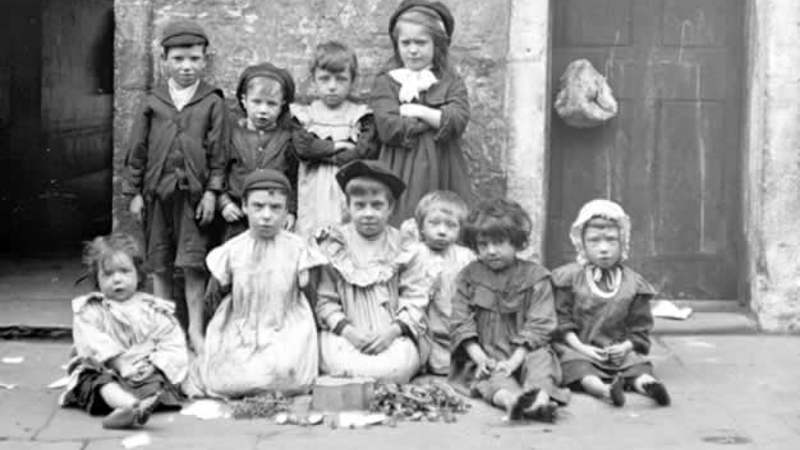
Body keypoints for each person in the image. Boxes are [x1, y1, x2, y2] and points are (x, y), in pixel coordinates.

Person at [122, 20, 226, 352]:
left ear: (205, 60)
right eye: (179, 59)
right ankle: (165, 332)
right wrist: (134, 192)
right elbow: (137, 149)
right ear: (164, 59)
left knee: (193, 264)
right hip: (157, 195)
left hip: (193, 198)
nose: (186, 66)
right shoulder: (153, 101)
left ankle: (195, 330)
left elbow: (219, 152)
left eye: (194, 59)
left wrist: (212, 191)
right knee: (160, 264)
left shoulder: (212, 102)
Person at [184, 169, 320, 398]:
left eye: (275, 207)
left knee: (288, 373)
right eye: (258, 206)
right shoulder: (233, 250)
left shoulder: (297, 249)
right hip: (242, 328)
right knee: (226, 380)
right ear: (245, 206)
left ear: (286, 211)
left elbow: (311, 295)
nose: (266, 215)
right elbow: (213, 298)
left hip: (284, 327)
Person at [449, 199, 569, 422]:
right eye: (483, 245)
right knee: (492, 379)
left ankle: (540, 402)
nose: (491, 251)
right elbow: (460, 321)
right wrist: (481, 358)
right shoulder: (468, 277)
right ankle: (511, 402)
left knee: (541, 363)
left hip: (526, 351)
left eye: (499, 243)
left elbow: (540, 324)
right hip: (487, 353)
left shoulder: (536, 277)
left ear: (516, 242)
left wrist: (515, 361)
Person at [312, 160, 431, 383]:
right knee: (334, 359)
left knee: (397, 367)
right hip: (347, 335)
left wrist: (391, 333)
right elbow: (325, 301)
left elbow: (415, 297)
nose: (368, 213)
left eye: (377, 206)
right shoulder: (335, 245)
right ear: (347, 206)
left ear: (391, 208)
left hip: (392, 336)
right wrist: (349, 332)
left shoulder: (404, 246)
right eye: (360, 205)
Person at [60, 234, 188, 429]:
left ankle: (138, 405)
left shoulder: (153, 309)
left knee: (158, 382)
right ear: (97, 279)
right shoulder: (90, 309)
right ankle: (129, 406)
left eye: (125, 271)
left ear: (139, 274)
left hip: (141, 370)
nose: (117, 280)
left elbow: (170, 340)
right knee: (99, 382)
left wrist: (154, 364)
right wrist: (119, 363)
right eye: (108, 274)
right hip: (105, 368)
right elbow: (91, 343)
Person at [551, 199, 671, 407]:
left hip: (616, 352)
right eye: (594, 241)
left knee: (637, 366)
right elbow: (562, 322)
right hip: (578, 348)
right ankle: (605, 390)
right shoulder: (568, 278)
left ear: (623, 241)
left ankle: (648, 385)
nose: (604, 249)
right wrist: (583, 348)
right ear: (581, 243)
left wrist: (624, 348)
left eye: (611, 240)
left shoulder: (634, 284)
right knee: (578, 368)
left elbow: (639, 328)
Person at [370, 0, 473, 225]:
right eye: (405, 43)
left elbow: (458, 120)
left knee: (444, 222)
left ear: (437, 44)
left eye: (421, 42)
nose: (413, 50)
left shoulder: (450, 80)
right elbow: (389, 127)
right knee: (401, 221)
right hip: (399, 165)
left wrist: (419, 111)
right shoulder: (386, 82)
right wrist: (437, 118)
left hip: (443, 165)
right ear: (396, 44)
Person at [291, 41, 379, 237]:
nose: (332, 86)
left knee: (346, 234)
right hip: (313, 188)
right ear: (313, 80)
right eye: (324, 79)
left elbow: (363, 152)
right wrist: (338, 145)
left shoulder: (360, 116)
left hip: (346, 187)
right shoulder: (305, 115)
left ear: (352, 81)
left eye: (341, 79)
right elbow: (304, 149)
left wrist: (320, 153)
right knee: (311, 233)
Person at [218, 63, 301, 240]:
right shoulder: (232, 135)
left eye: (271, 104)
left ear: (282, 105)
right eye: (256, 102)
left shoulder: (287, 139)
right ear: (244, 100)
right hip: (237, 215)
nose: (263, 110)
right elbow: (219, 170)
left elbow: (293, 178)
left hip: (273, 216)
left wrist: (291, 211)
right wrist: (224, 202)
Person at [400, 191, 474, 375]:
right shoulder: (416, 253)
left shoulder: (465, 256)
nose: (442, 231)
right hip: (427, 326)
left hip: (454, 321)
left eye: (451, 225)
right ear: (421, 227)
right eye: (434, 223)